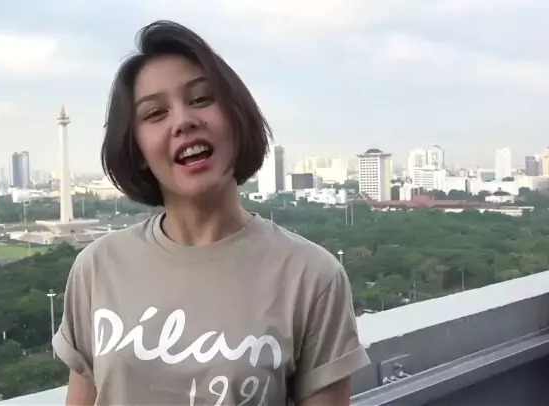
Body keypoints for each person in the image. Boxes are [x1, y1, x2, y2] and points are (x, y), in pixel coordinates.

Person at [53, 20, 370, 406]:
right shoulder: (98, 268)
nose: (183, 121)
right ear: (136, 150)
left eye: (202, 99)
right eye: (155, 113)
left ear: (236, 118)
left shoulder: (311, 277)